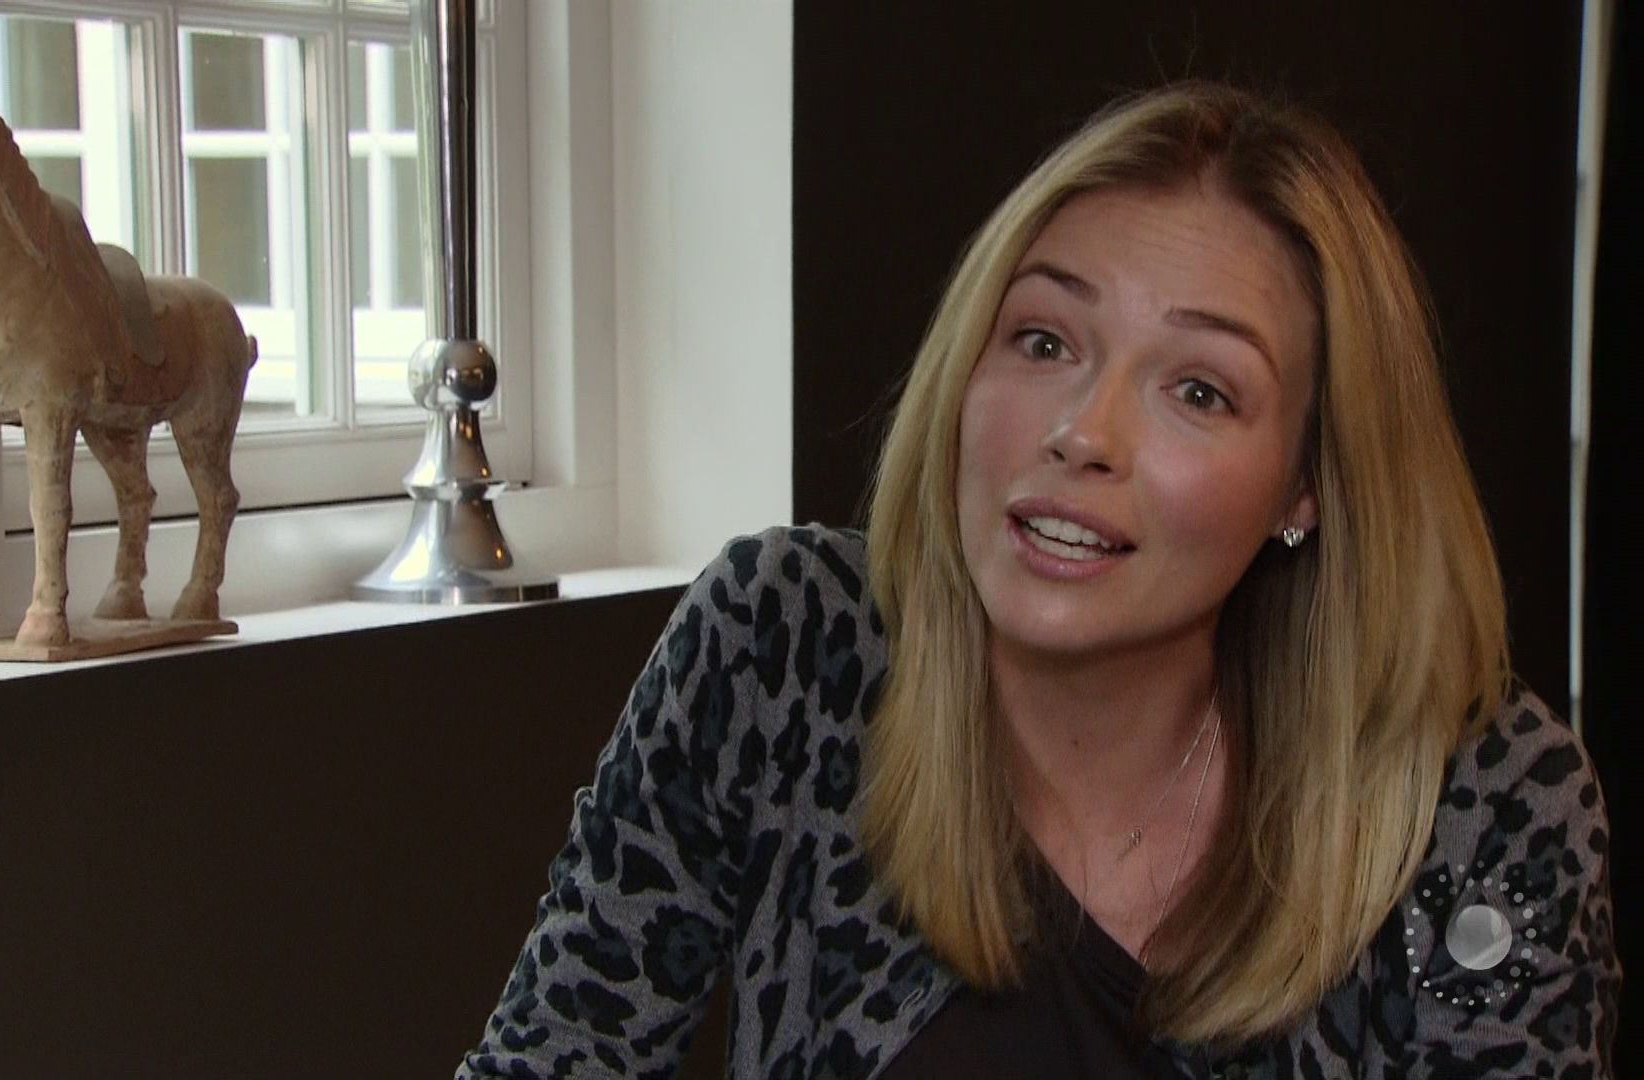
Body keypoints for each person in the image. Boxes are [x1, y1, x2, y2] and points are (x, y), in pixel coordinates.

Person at [455, 81, 1621, 1078]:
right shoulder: (785, 647)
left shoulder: (1486, 808)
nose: (1083, 432)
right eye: (1046, 341)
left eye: (1199, 390)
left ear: (1306, 485)